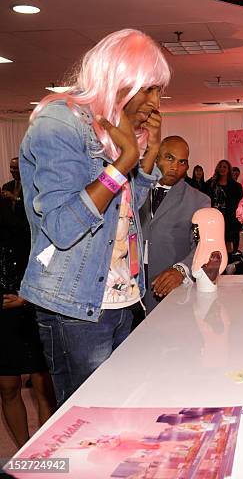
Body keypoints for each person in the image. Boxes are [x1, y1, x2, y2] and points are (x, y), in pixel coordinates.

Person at [18, 29, 170, 405]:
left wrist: (145, 152)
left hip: (122, 295)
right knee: (87, 422)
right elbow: (62, 227)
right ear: (118, 79)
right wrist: (124, 161)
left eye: (157, 91)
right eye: (148, 89)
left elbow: (125, 210)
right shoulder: (60, 122)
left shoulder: (113, 130)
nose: (155, 102)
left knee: (118, 412)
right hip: (76, 301)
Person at [1, 194, 56, 448]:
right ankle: (24, 453)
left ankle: (44, 452)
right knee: (8, 387)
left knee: (43, 387)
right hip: (2, 319)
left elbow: (46, 253)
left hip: (32, 306)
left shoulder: (20, 205)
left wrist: (26, 296)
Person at [139, 136, 211, 314]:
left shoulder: (199, 200)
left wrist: (181, 270)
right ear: (156, 158)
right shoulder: (135, 190)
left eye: (182, 162)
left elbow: (204, 246)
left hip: (170, 292)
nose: (175, 167)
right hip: (126, 293)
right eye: (169, 158)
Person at [204, 160, 243, 254]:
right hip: (215, 217)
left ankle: (229, 262)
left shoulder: (236, 186)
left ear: (228, 169)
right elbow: (204, 195)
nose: (222, 169)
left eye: (224, 167)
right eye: (220, 166)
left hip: (230, 219)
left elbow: (239, 201)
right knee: (216, 243)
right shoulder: (211, 184)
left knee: (229, 243)